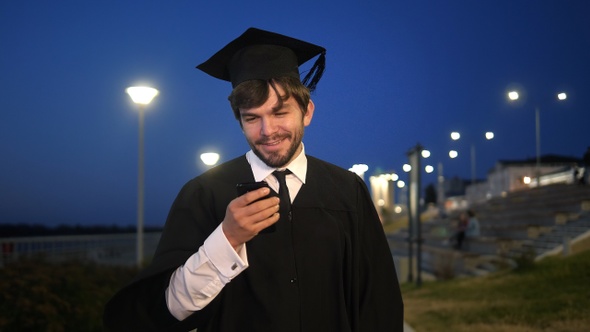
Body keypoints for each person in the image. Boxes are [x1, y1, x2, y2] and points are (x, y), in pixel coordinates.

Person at [103, 27, 404, 332]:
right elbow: (168, 309)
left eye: (280, 113)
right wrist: (227, 238)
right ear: (240, 120)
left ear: (307, 111)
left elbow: (378, 302)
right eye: (252, 117)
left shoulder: (347, 191)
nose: (267, 131)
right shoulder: (204, 194)